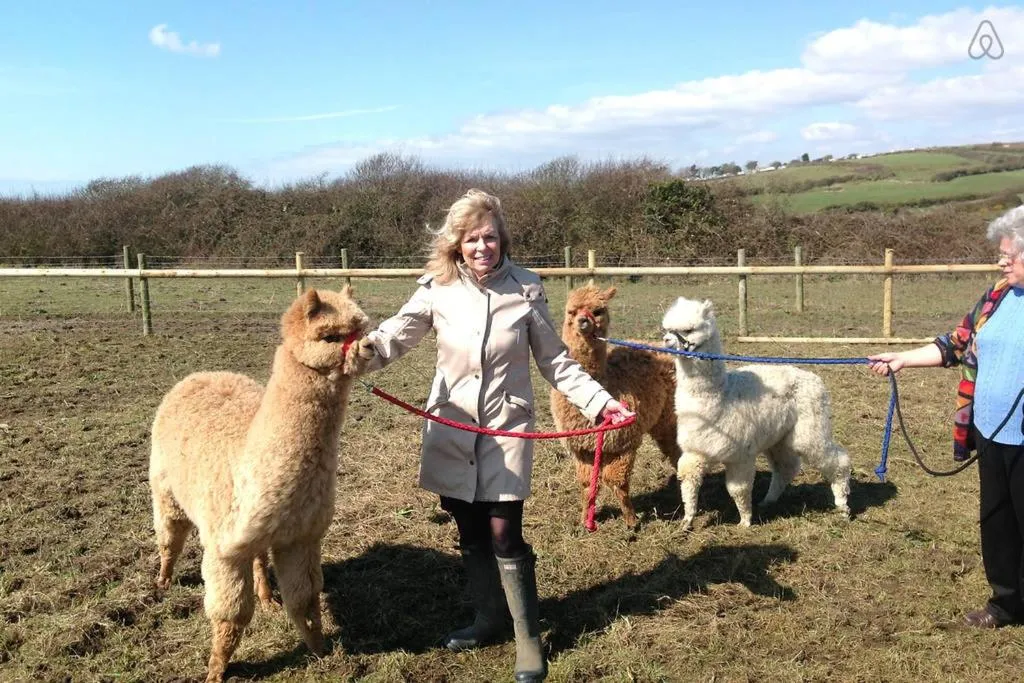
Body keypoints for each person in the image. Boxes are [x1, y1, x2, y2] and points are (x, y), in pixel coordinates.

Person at [357, 188, 633, 681]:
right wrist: (355, 355)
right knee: (466, 526)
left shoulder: (526, 287)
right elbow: (394, 336)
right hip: (452, 424)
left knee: (505, 530)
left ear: (501, 238)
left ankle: (528, 638)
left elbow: (554, 359)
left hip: (506, 425)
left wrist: (600, 403)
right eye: (471, 239)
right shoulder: (436, 287)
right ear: (456, 245)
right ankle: (488, 617)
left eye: (489, 236)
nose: (482, 246)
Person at [868, 205, 1024, 629]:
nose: (1001, 261)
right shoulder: (997, 296)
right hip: (992, 431)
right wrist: (902, 358)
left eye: (1011, 255)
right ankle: (1006, 604)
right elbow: (955, 345)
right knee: (998, 523)